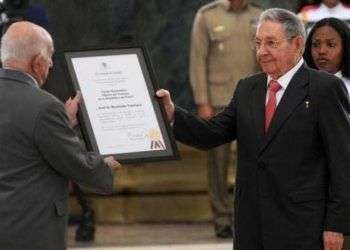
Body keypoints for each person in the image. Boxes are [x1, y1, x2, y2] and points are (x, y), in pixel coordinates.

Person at [157, 8, 350, 250]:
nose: (262, 51)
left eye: (271, 43)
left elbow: (342, 162)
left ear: (298, 44)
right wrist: (172, 114)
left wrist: (336, 224)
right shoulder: (248, 88)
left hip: (302, 226)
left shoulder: (324, 88)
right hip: (252, 226)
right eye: (258, 43)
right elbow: (212, 133)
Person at [0, 21, 120, 250]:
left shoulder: (45, 110)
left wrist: (64, 123)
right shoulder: (45, 107)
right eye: (50, 56)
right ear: (38, 62)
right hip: (29, 232)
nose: (52, 64)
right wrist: (106, 163)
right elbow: (77, 165)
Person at [189, 0, 262, 238]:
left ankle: (249, 217)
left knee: (253, 162)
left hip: (253, 102)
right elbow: (198, 59)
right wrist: (202, 101)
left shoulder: (260, 15)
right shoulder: (207, 15)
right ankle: (221, 219)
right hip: (218, 101)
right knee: (218, 165)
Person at [303, 17, 350, 94]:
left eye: (331, 45)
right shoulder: (298, 85)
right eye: (316, 45)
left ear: (345, 48)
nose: (321, 51)